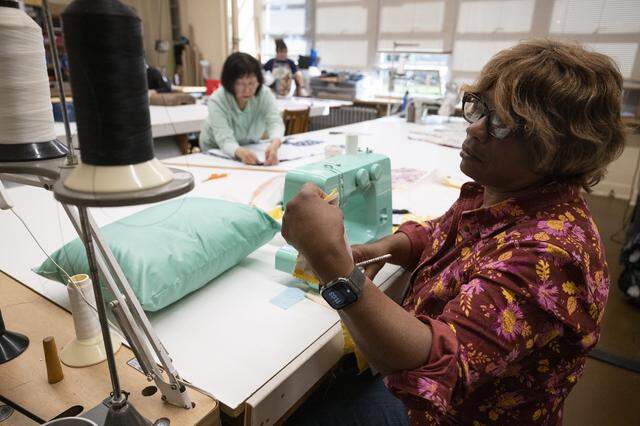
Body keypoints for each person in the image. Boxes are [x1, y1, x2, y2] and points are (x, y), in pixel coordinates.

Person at [281, 39, 625, 425]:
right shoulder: (497, 193)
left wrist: (337, 268)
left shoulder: (551, 254)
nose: (476, 129)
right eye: (481, 108)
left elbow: (430, 362)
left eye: (502, 124)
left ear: (554, 148)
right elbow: (442, 234)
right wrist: (380, 248)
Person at [199, 52, 285, 165]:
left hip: (248, 146)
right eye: (241, 84)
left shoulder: (264, 94)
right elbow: (225, 140)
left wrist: (274, 144)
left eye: (252, 83)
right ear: (230, 83)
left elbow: (275, 123)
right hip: (216, 149)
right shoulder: (218, 99)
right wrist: (240, 152)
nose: (247, 90)